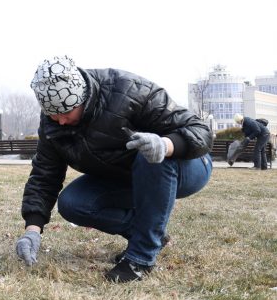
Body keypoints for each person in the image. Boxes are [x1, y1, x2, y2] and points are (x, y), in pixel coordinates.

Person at [15, 56, 213, 283]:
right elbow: (44, 175)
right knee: (73, 203)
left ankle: (141, 257)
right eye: (53, 114)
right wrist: (32, 230)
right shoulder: (53, 122)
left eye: (66, 113)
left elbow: (201, 131)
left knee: (149, 154)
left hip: (187, 165)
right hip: (128, 177)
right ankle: (150, 234)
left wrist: (165, 145)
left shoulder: (129, 90)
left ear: (82, 98)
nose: (60, 121)